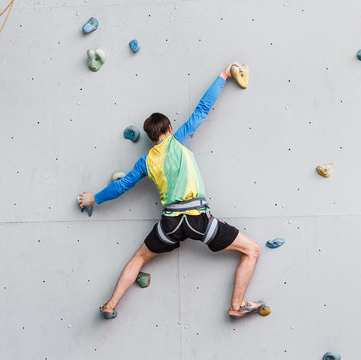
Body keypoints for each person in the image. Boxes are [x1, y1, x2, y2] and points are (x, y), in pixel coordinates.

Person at [77, 62, 265, 320]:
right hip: (198, 220)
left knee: (139, 259)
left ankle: (110, 304)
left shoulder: (145, 161)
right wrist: (222, 76)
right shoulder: (180, 139)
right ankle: (237, 304)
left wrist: (93, 199)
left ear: (151, 137)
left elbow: (122, 186)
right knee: (252, 250)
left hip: (170, 225)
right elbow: (202, 109)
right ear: (168, 129)